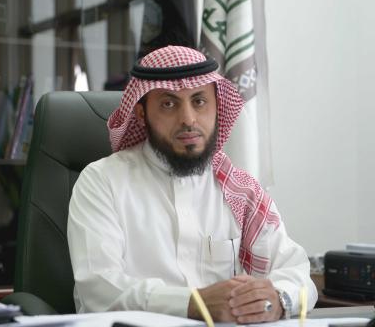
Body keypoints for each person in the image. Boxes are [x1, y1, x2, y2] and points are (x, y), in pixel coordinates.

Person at [67, 45, 317, 324]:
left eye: (199, 101)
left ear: (217, 106)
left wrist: (277, 299)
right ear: (141, 114)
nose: (188, 119)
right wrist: (193, 303)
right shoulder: (102, 182)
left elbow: (298, 273)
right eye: (169, 104)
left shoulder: (239, 188)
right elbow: (98, 289)